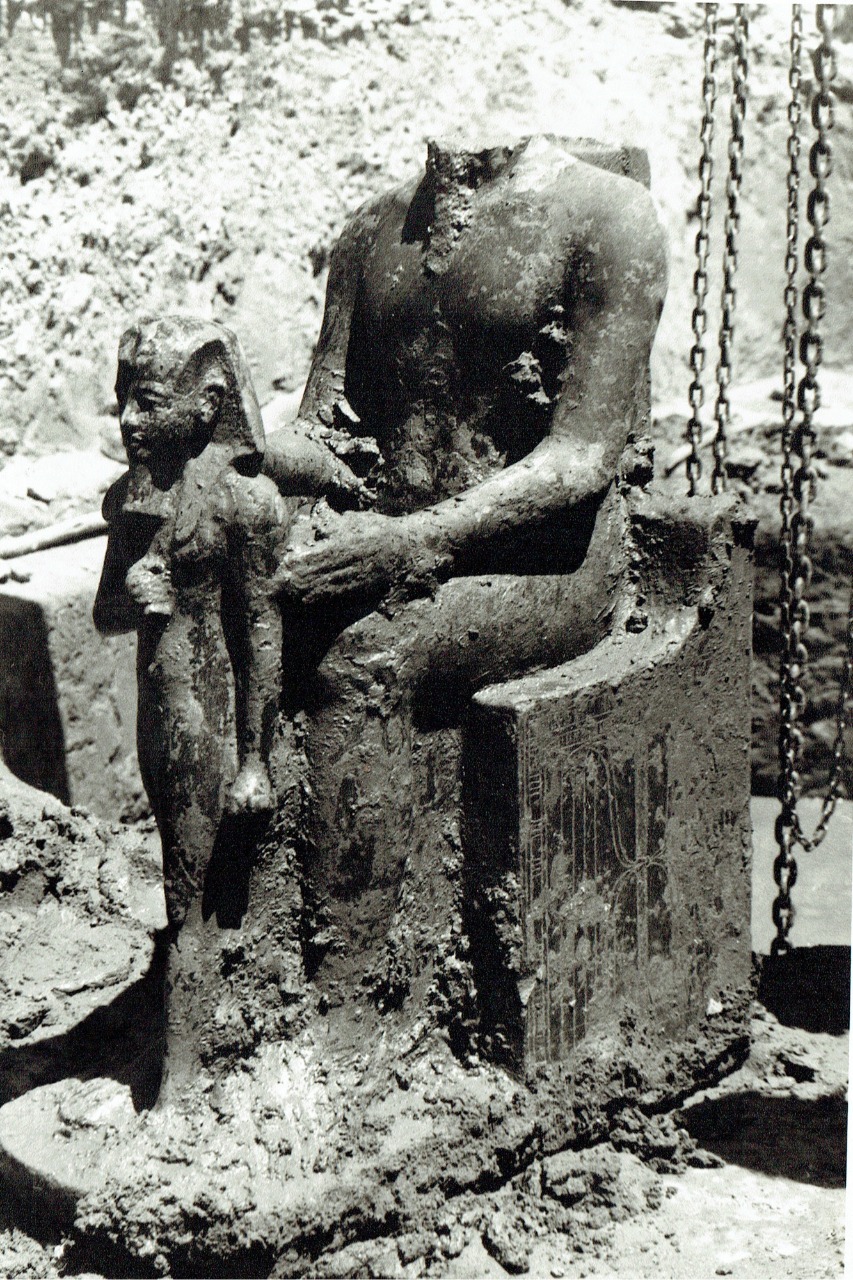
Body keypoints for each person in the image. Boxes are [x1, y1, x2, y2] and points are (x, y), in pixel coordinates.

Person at [271, 137, 669, 982]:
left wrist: (412, 542)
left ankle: (355, 997)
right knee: (231, 601)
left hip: (547, 561)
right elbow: (324, 429)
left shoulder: (607, 215)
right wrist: (228, 455)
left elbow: (580, 458)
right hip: (398, 533)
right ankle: (230, 955)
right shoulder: (371, 229)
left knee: (362, 651)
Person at [94, 316, 362, 929]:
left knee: (204, 896)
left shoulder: (246, 503)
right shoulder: (130, 500)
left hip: (216, 724)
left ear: (207, 404)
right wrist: (130, 596)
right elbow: (106, 615)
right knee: (181, 874)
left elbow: (261, 637)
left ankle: (193, 977)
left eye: (148, 403)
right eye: (123, 401)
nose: (128, 421)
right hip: (159, 719)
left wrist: (255, 762)